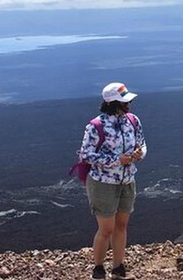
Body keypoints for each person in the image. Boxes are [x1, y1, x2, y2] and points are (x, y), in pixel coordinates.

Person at [78, 82, 147, 280]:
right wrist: (116, 161)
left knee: (122, 225)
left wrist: (137, 154)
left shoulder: (133, 121)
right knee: (106, 228)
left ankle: (118, 267)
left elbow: (142, 144)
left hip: (127, 180)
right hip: (103, 183)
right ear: (112, 102)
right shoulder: (96, 126)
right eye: (125, 101)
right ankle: (98, 268)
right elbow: (86, 154)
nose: (129, 104)